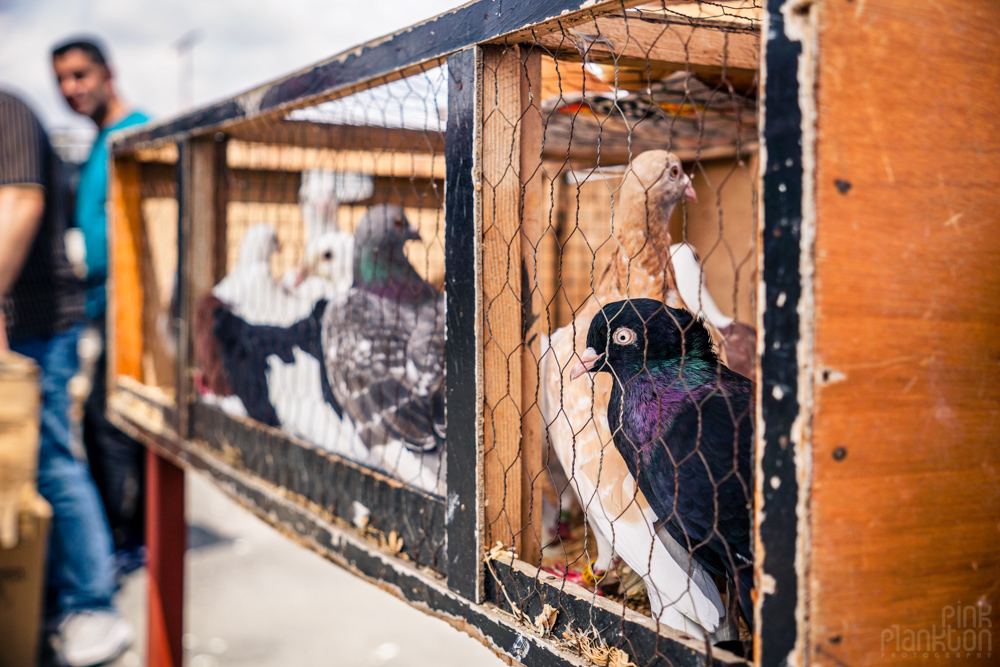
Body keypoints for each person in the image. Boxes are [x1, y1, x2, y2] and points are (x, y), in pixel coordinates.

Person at [0, 90, 133, 667]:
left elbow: (22, 202)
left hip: (39, 323)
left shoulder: (8, 110)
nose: (72, 87)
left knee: (52, 458)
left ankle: (91, 602)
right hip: (29, 320)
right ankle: (54, 596)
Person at [52, 36, 150, 572]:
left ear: (107, 73)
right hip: (97, 305)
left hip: (132, 306)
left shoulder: (135, 134)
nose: (71, 89)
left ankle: (128, 537)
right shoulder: (93, 144)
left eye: (80, 75)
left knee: (113, 425)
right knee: (97, 423)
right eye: (62, 79)